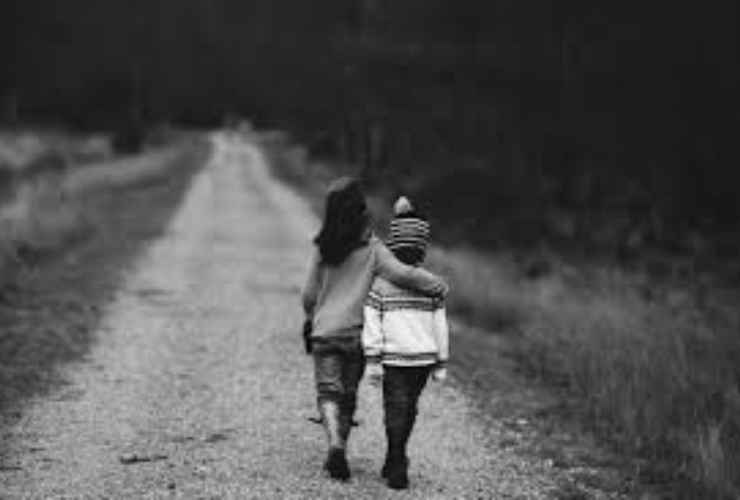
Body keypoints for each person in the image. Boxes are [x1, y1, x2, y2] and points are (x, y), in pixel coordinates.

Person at [301, 179, 448, 482]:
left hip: (324, 332)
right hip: (356, 334)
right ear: (361, 212)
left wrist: (311, 317)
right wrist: (437, 285)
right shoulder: (373, 248)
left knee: (328, 391)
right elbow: (402, 273)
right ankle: (342, 447)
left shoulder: (322, 248)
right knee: (348, 395)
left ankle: (336, 445)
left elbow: (308, 295)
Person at [362, 196, 449, 490]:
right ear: (423, 248)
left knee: (395, 408)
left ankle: (396, 458)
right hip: (423, 360)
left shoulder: (380, 285)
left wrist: (372, 359)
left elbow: (372, 323)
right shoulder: (432, 287)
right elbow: (440, 326)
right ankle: (396, 456)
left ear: (392, 246)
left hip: (394, 360)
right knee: (409, 408)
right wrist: (441, 362)